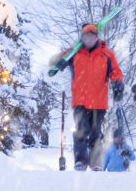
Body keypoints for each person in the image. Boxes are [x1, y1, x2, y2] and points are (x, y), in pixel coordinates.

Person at [51, 22, 125, 171]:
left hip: (99, 102)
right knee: (81, 129)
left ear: (97, 37)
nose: (89, 38)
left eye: (92, 35)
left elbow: (116, 72)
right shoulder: (74, 53)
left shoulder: (107, 54)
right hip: (80, 101)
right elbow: (57, 60)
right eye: (86, 35)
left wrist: (118, 83)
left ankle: (96, 162)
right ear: (82, 37)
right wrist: (58, 61)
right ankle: (81, 161)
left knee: (95, 132)